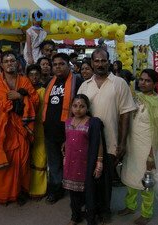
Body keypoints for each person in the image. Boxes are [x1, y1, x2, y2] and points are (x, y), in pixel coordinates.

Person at [78, 48, 136, 222]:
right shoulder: (85, 85)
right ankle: (91, 209)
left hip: (110, 141)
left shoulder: (119, 83)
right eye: (96, 61)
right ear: (92, 62)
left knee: (105, 180)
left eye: (103, 61)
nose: (100, 64)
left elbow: (126, 114)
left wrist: (123, 143)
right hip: (87, 142)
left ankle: (105, 211)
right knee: (89, 179)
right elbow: (77, 112)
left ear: (109, 61)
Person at [118, 69, 158, 225]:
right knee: (130, 178)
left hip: (147, 149)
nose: (143, 83)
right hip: (132, 147)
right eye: (141, 79)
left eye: (147, 81)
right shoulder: (135, 98)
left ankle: (147, 213)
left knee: (146, 183)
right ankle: (130, 206)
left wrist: (152, 156)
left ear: (155, 84)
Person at [0, 51, 39, 206]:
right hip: (3, 131)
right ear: (1, 65)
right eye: (6, 61)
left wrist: (20, 97)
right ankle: (4, 195)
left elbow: (35, 100)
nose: (9, 63)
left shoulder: (24, 81)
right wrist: (9, 101)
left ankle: (20, 192)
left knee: (22, 163)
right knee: (5, 165)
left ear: (17, 63)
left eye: (12, 60)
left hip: (21, 129)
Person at [42, 53, 83, 204]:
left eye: (61, 64)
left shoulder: (77, 81)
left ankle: (76, 192)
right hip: (50, 130)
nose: (58, 67)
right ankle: (56, 190)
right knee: (54, 163)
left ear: (68, 65)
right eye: (55, 64)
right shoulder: (50, 81)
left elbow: (81, 107)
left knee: (73, 162)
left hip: (69, 131)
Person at [63, 94, 105, 225]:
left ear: (87, 108)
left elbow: (98, 143)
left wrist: (99, 162)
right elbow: (68, 140)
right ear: (71, 108)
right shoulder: (68, 122)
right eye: (75, 106)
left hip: (86, 164)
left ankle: (91, 219)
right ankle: (75, 216)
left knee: (89, 193)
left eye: (82, 106)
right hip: (71, 163)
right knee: (73, 193)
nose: (78, 109)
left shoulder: (92, 123)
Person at [26, 64, 47, 199]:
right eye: (31, 74)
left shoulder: (44, 91)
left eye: (36, 74)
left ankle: (39, 190)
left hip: (40, 129)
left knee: (40, 159)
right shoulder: (23, 91)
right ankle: (26, 187)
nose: (34, 77)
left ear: (40, 76)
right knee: (26, 160)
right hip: (26, 129)